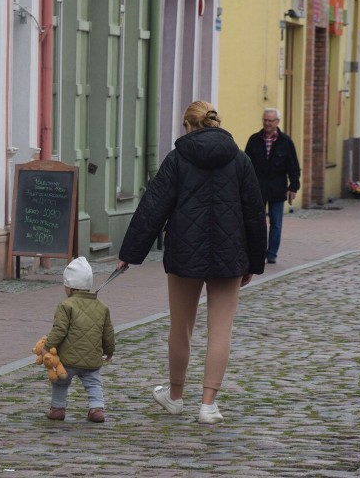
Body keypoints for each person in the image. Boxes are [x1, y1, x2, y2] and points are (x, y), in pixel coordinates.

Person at [117, 101, 266, 425]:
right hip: (230, 256)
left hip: (185, 253)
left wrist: (130, 253)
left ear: (188, 125)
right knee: (220, 330)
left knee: (180, 329)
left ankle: (175, 396)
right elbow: (254, 212)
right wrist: (254, 262)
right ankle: (208, 405)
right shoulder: (240, 160)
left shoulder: (178, 159)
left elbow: (153, 207)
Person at [44, 256, 115, 424]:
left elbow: (59, 330)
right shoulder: (102, 307)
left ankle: (58, 408)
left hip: (67, 360)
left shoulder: (66, 305)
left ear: (68, 287)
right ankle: (97, 409)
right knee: (94, 384)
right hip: (91, 359)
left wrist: (48, 346)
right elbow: (108, 333)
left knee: (61, 383)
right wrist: (109, 350)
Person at [244, 108, 300, 264]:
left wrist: (293, 186)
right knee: (257, 221)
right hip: (257, 188)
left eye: (270, 121)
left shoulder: (286, 142)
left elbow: (293, 165)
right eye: (265, 120)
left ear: (277, 122)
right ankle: (258, 251)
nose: (267, 123)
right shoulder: (254, 140)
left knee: (276, 222)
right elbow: (246, 165)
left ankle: (272, 253)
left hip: (277, 187)